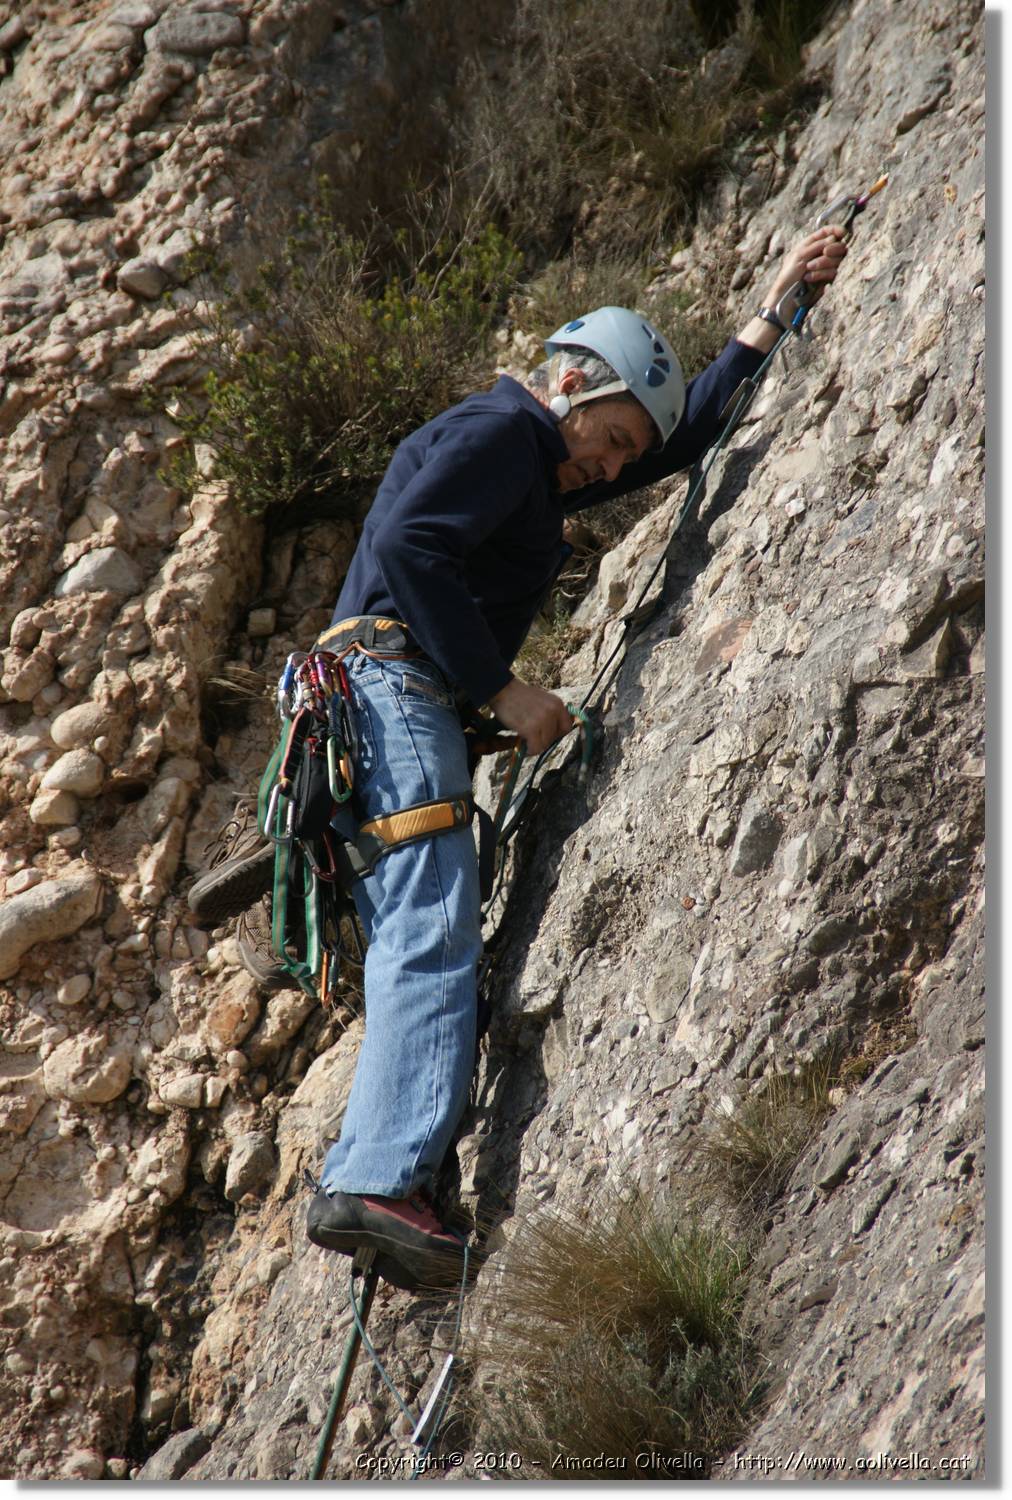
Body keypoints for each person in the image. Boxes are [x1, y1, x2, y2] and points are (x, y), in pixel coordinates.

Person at [292, 227, 848, 1286]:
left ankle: (382, 1173)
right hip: (392, 689)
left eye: (622, 458)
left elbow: (683, 445)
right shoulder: (506, 430)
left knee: (424, 925)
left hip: (379, 705)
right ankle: (374, 1181)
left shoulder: (534, 467)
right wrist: (503, 690)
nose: (613, 463)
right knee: (429, 926)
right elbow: (412, 546)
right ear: (567, 383)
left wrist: (773, 310)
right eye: (611, 436)